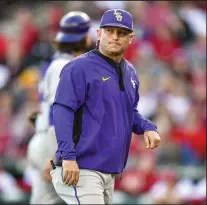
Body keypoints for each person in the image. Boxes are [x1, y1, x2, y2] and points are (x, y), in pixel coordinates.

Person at [50, 9, 161, 204]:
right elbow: (62, 111)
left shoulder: (131, 73)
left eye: (121, 33)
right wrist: (68, 157)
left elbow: (129, 112)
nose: (115, 37)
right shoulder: (79, 68)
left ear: (131, 38)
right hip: (81, 168)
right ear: (99, 33)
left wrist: (147, 127)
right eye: (109, 31)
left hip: (108, 173)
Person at [26, 11, 92, 204]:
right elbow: (59, 114)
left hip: (46, 140)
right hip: (52, 144)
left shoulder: (54, 63)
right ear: (84, 37)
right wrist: (56, 156)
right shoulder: (65, 67)